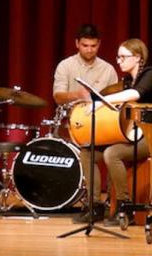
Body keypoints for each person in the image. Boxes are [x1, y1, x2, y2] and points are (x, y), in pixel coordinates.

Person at [51, 23, 119, 220]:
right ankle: (93, 203)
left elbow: (116, 100)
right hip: (73, 122)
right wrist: (77, 95)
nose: (89, 50)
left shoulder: (108, 69)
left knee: (103, 153)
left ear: (99, 45)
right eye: (85, 45)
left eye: (93, 46)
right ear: (77, 44)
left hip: (101, 124)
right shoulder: (66, 65)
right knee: (86, 153)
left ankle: (110, 204)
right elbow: (57, 97)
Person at [100, 38, 152, 213]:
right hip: (133, 135)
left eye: (123, 57)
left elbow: (136, 94)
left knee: (111, 153)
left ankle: (124, 205)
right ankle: (95, 206)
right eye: (118, 57)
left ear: (137, 57)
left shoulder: (151, 74)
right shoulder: (128, 80)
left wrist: (102, 100)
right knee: (89, 149)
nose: (119, 61)